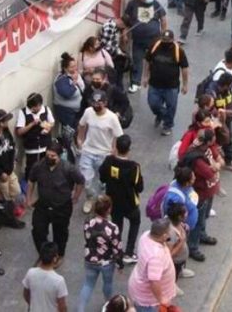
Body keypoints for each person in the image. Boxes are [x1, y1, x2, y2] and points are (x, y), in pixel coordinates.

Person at [27, 142, 85, 263]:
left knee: (60, 233)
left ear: (59, 156)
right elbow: (31, 181)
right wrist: (29, 198)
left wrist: (75, 197)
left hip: (62, 207)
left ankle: (59, 255)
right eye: (48, 155)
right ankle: (44, 254)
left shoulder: (69, 168)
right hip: (42, 205)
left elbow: (80, 181)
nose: (49, 158)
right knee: (38, 230)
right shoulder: (38, 166)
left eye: (53, 156)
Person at [99, 134, 144, 262]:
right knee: (135, 222)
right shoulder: (134, 167)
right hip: (130, 203)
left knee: (117, 225)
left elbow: (102, 177)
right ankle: (129, 253)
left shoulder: (108, 161)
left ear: (116, 147)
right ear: (129, 149)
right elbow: (139, 187)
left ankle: (116, 250)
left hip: (113, 202)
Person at [77, 91, 124, 213]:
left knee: (102, 181)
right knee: (85, 179)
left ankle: (101, 202)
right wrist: (80, 139)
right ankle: (90, 198)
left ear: (105, 103)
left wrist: (114, 150)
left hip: (104, 153)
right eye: (94, 102)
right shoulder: (88, 112)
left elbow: (118, 135)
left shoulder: (112, 117)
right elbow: (81, 125)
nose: (96, 105)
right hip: (88, 150)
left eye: (99, 102)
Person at [180, 128, 221, 260]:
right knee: (197, 220)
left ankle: (202, 235)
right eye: (213, 138)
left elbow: (217, 159)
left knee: (204, 216)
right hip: (200, 193)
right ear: (208, 141)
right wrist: (215, 167)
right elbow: (210, 174)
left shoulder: (203, 148)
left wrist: (216, 165)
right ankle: (193, 247)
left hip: (208, 191)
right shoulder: (198, 159)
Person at [77, 195, 123, 311]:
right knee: (107, 283)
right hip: (106, 262)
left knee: (88, 284)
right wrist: (120, 264)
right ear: (109, 210)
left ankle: (80, 309)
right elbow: (117, 247)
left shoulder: (88, 222)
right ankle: (108, 305)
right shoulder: (112, 227)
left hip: (90, 258)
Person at [143, 29, 189, 136]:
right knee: (153, 104)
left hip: (171, 86)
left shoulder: (179, 51)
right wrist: (145, 76)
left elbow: (185, 68)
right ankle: (162, 115)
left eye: (168, 41)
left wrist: (185, 85)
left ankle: (168, 125)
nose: (165, 42)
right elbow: (147, 61)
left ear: (172, 40)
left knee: (171, 106)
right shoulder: (154, 46)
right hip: (154, 84)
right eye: (164, 40)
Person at [122, 0, 167, 93]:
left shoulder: (155, 4)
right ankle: (135, 82)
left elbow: (163, 19)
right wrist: (125, 32)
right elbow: (126, 20)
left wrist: (164, 35)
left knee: (156, 59)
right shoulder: (133, 4)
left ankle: (157, 80)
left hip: (154, 38)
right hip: (138, 39)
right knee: (137, 60)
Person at [127, 218, 177, 312]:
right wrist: (161, 299)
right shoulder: (155, 257)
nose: (171, 233)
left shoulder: (146, 235)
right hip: (149, 301)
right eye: (170, 232)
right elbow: (154, 282)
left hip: (138, 286)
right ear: (164, 235)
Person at [52, 53, 84, 161]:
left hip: (75, 112)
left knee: (75, 131)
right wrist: (74, 83)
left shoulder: (74, 74)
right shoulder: (61, 80)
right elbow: (67, 93)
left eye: (75, 66)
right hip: (65, 112)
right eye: (71, 67)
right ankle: (69, 156)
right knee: (68, 135)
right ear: (65, 68)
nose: (74, 68)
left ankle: (74, 149)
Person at [23, 242, 68, 312]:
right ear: (55, 258)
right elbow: (62, 306)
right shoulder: (59, 281)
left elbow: (26, 294)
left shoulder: (30, 272)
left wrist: (33, 306)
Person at [17, 93, 53, 176]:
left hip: (45, 145)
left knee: (46, 168)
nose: (32, 110)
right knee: (31, 169)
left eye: (35, 107)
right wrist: (32, 124)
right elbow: (19, 131)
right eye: (31, 108)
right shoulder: (23, 112)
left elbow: (52, 122)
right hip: (31, 146)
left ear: (40, 105)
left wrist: (48, 127)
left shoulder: (46, 109)